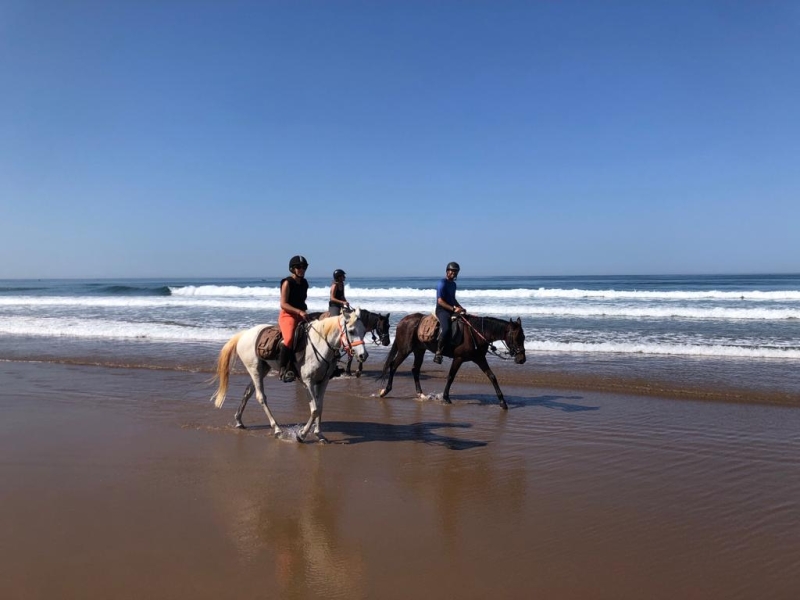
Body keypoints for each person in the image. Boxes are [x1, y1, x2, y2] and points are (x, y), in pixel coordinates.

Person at [278, 255, 309, 382]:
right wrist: (299, 312)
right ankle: (283, 369)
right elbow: (283, 304)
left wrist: (303, 312)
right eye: (298, 267)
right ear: (292, 269)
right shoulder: (287, 282)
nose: (301, 269)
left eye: (304, 267)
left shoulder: (304, 283)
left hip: (301, 314)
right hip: (288, 315)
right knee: (289, 338)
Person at [433, 261, 466, 364]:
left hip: (451, 309)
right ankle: (438, 352)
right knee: (446, 328)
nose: (454, 273)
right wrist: (453, 309)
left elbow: (453, 299)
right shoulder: (442, 283)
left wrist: (460, 307)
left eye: (456, 272)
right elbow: (440, 301)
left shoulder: (453, 285)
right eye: (452, 271)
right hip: (441, 310)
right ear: (447, 271)